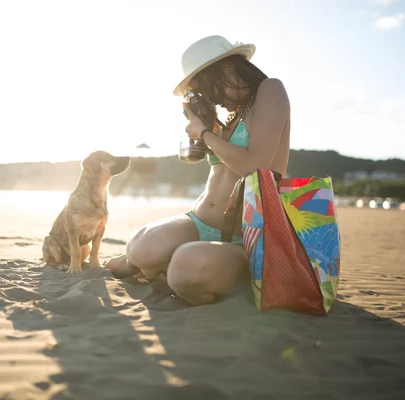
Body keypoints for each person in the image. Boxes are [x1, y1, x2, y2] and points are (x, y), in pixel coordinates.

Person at [105, 35, 291, 306]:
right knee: (144, 248)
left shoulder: (271, 90)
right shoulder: (230, 115)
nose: (213, 100)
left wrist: (204, 133)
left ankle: (168, 267)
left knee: (183, 272)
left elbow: (256, 168)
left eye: (210, 91)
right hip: (197, 219)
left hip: (244, 237)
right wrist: (204, 128)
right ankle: (151, 263)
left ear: (227, 69)